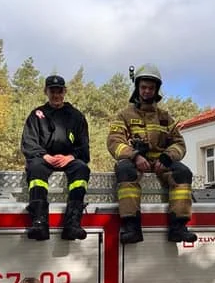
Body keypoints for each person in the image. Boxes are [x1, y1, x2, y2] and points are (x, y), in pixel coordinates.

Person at [106, 63, 197, 245]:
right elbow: (114, 142)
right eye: (143, 87)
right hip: (134, 161)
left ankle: (178, 227)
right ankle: (131, 226)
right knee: (125, 171)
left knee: (183, 173)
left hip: (161, 163)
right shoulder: (124, 115)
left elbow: (179, 144)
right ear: (137, 88)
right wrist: (134, 156)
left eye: (151, 88)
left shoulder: (165, 117)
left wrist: (167, 157)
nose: (147, 91)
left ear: (156, 90)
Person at [21, 74, 91, 241]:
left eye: (59, 91)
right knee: (35, 169)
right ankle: (39, 221)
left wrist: (70, 157)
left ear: (65, 91)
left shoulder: (76, 116)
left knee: (81, 169)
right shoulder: (37, 115)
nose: (56, 95)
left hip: (69, 160)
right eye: (52, 91)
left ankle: (72, 223)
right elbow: (28, 143)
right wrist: (44, 156)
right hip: (43, 159)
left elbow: (84, 147)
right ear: (46, 91)